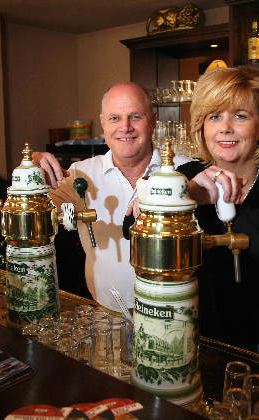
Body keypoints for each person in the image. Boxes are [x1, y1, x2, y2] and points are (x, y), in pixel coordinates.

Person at [177, 67, 259, 366]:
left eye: (240, 116)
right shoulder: (188, 177)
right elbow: (130, 227)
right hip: (204, 333)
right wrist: (184, 195)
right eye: (214, 117)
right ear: (202, 127)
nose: (225, 128)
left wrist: (215, 200)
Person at [33, 82, 191, 311]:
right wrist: (32, 169)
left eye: (135, 116)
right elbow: (37, 209)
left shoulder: (185, 171)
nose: (125, 127)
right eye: (115, 118)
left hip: (174, 316)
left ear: (153, 120)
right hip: (106, 316)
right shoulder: (81, 173)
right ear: (103, 122)